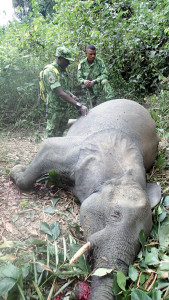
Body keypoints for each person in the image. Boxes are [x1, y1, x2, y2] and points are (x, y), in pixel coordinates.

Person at [43, 46, 88, 137]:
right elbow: (60, 92)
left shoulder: (63, 71)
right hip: (55, 109)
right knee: (51, 134)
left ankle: (56, 151)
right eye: (66, 60)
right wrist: (78, 105)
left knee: (60, 134)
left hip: (64, 108)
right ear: (59, 58)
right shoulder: (50, 72)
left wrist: (72, 95)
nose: (68, 62)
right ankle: (46, 151)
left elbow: (64, 89)